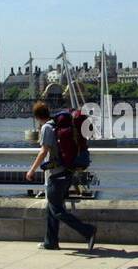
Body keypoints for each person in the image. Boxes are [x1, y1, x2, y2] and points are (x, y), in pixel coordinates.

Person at [26, 101, 97, 251]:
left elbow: (43, 151)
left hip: (56, 175)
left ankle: (87, 230)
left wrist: (32, 170)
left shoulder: (46, 128)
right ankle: (50, 242)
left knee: (57, 210)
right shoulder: (55, 125)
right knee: (52, 209)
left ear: (37, 117)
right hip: (67, 172)